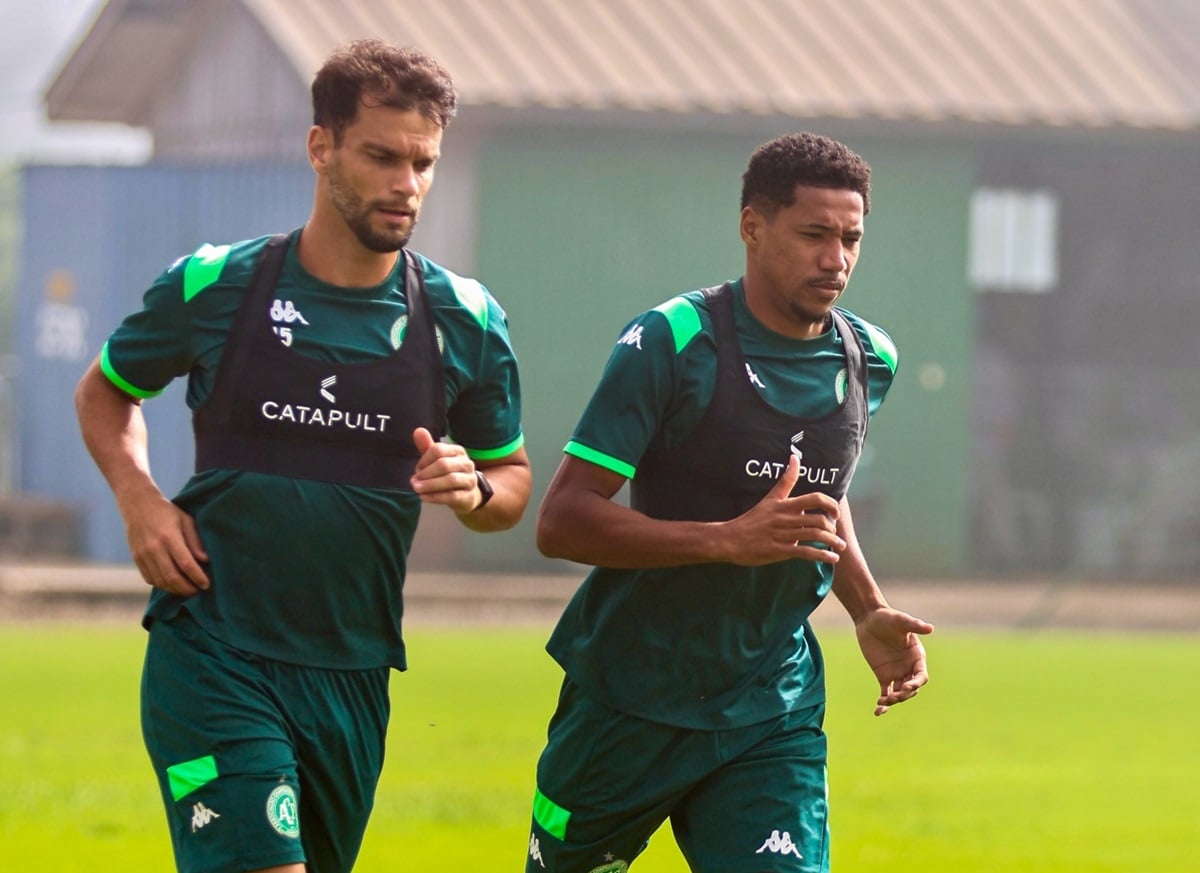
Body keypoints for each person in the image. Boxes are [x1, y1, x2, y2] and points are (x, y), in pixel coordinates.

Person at [74, 39, 531, 873]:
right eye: (381, 156)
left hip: (352, 669)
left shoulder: (464, 318)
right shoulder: (216, 286)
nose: (407, 184)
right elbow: (104, 391)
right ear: (321, 147)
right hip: (213, 646)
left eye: (423, 162)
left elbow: (512, 484)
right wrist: (139, 498)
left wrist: (473, 489)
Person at [525, 132, 933, 873]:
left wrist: (867, 607)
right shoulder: (671, 342)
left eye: (851, 238)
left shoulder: (869, 356)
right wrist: (725, 539)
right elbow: (561, 520)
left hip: (770, 704)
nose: (835, 259)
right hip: (630, 697)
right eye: (814, 235)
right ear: (753, 227)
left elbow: (821, 501)